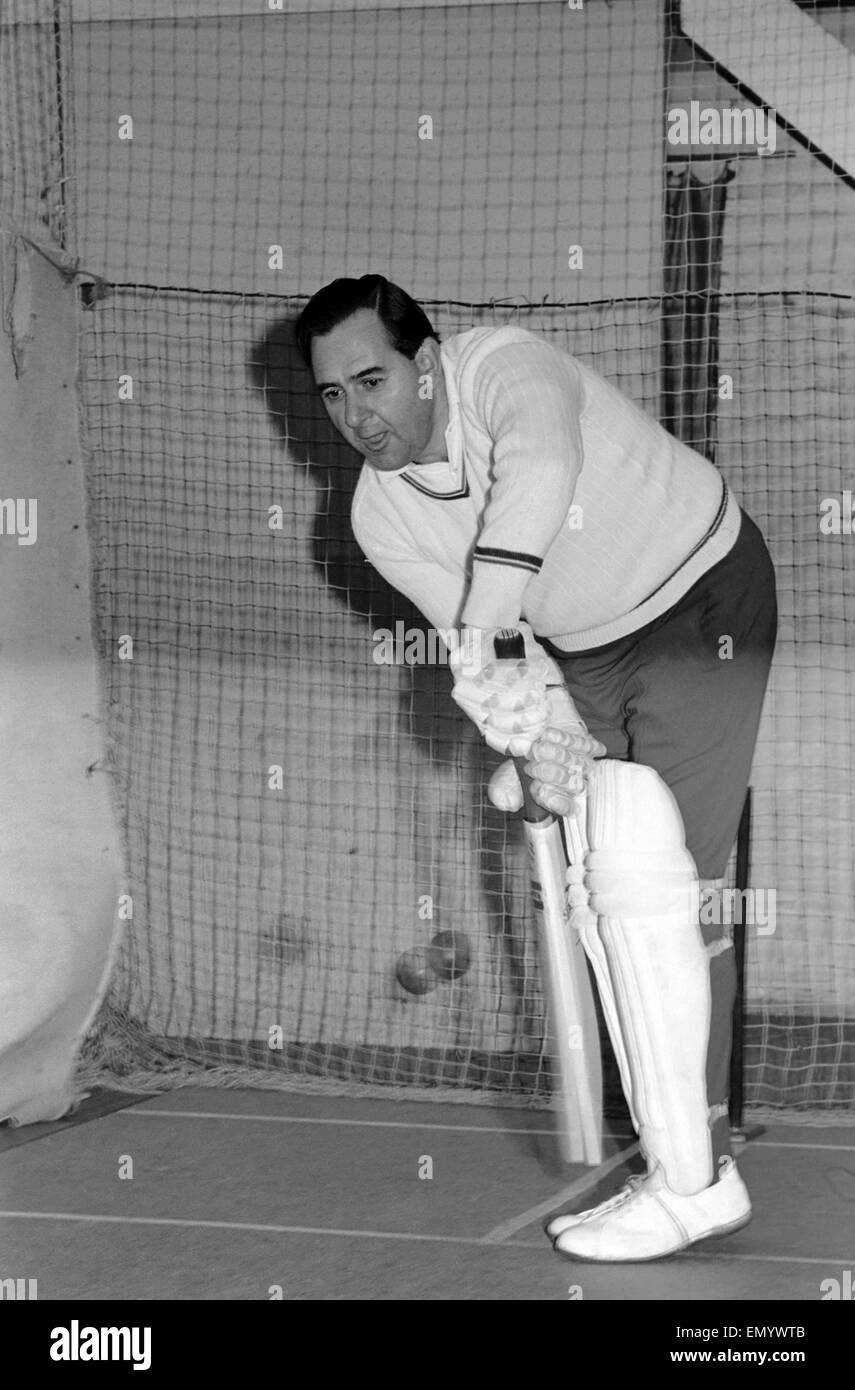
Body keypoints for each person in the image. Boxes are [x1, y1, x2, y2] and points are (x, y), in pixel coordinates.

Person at [294, 274, 777, 1263]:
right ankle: (686, 1164)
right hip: (580, 651)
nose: (356, 414)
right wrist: (535, 736)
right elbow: (505, 663)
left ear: (427, 363)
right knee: (606, 892)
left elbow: (543, 473)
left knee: (668, 886)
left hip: (702, 596)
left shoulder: (505, 368)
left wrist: (483, 630)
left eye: (372, 380)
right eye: (333, 395)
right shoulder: (379, 521)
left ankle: (695, 1175)